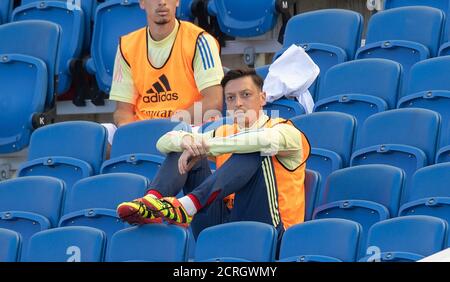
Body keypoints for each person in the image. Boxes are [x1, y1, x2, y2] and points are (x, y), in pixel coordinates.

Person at [117, 69, 311, 238]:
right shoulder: (226, 132)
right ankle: (152, 203)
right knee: (186, 147)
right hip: (223, 221)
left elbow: (263, 140)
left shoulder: (286, 131)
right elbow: (164, 142)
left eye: (246, 95)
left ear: (262, 98)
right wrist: (186, 141)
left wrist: (205, 145)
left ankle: (188, 205)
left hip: (273, 230)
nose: (238, 103)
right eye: (231, 98)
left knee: (254, 150)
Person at [109, 0, 224, 127]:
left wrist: (168, 127)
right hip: (144, 129)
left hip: (188, 127)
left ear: (177, 1)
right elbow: (123, 110)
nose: (162, 2)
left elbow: (213, 101)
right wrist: (129, 132)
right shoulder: (127, 46)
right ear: (142, 3)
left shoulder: (200, 40)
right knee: (103, 134)